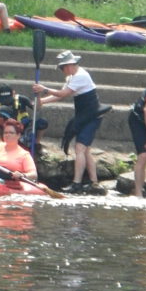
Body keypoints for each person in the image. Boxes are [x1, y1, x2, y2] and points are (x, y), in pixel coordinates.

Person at [33, 50, 106, 195]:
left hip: (92, 116)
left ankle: (76, 184)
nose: (62, 71)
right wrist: (41, 102)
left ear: (70, 65)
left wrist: (44, 89)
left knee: (79, 148)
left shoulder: (81, 76)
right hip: (84, 115)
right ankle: (94, 182)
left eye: (62, 68)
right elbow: (60, 95)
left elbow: (63, 94)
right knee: (85, 150)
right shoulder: (72, 78)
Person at [0, 85, 47, 151]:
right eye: (4, 99)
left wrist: (38, 96)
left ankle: (37, 144)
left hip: (25, 125)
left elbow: (37, 109)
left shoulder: (22, 99)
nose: (6, 102)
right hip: (11, 129)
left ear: (13, 93)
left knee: (42, 122)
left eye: (8, 98)